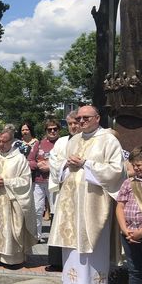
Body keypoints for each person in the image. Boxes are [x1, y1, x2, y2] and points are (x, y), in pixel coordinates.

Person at [49, 105, 127, 284]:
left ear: (97, 118)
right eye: (79, 118)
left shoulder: (108, 140)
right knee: (72, 246)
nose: (81, 121)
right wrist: (67, 164)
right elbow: (58, 165)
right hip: (72, 203)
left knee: (92, 247)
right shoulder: (73, 140)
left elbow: (117, 170)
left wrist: (86, 164)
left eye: (86, 118)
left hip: (94, 204)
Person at [0, 131, 37, 267]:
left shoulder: (19, 159)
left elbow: (25, 181)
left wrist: (6, 182)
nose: (0, 144)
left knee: (11, 229)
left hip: (12, 202)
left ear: (11, 142)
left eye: (4, 142)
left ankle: (13, 259)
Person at [46, 110, 80, 271]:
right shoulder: (61, 141)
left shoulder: (89, 140)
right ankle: (57, 261)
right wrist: (65, 164)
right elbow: (53, 160)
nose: (73, 126)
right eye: (70, 123)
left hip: (80, 192)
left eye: (76, 123)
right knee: (58, 223)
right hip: (62, 189)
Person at [115, 146, 142, 284]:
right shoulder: (129, 183)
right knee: (134, 270)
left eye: (139, 164)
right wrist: (125, 229)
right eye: (134, 165)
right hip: (129, 234)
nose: (136, 168)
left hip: (141, 233)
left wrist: (141, 232)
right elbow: (120, 205)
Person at [28, 119, 60, 242]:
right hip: (39, 181)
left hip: (55, 182)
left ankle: (55, 237)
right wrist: (38, 165)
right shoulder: (39, 144)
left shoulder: (63, 143)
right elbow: (29, 161)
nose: (52, 131)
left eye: (55, 129)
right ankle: (37, 236)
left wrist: (50, 166)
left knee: (55, 209)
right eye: (49, 129)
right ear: (45, 131)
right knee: (37, 209)